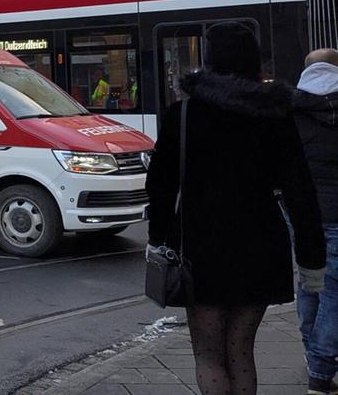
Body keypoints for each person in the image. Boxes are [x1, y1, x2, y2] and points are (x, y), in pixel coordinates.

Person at [145, 22, 326, 395]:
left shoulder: (182, 116)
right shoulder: (274, 116)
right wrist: (311, 259)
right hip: (261, 245)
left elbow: (161, 187)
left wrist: (157, 239)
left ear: (208, 61)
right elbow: (300, 191)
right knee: (241, 350)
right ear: (253, 62)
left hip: (200, 247)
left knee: (209, 355)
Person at [294, 48, 338, 395]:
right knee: (335, 292)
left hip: (302, 214)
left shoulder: (291, 110)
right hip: (336, 214)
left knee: (311, 284)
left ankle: (314, 355)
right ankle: (320, 373)